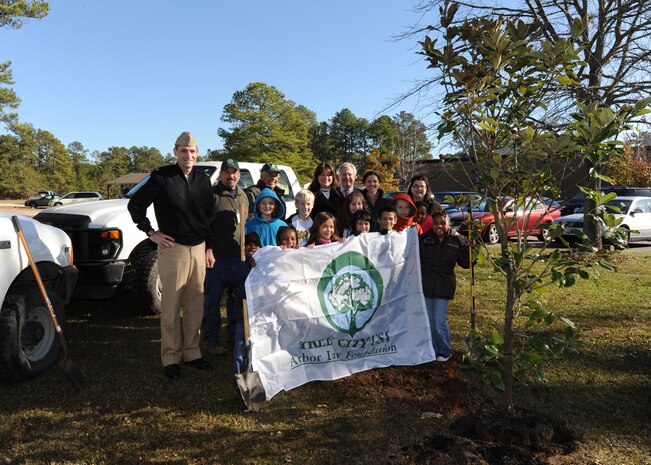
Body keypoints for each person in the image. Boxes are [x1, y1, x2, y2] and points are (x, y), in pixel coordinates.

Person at [128, 131, 216, 379]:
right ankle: (170, 357)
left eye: (193, 151)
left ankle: (192, 352)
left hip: (198, 248)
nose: (189, 155)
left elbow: (209, 215)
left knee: (195, 304)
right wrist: (150, 232)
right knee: (170, 306)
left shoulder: (202, 180)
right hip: (172, 248)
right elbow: (135, 205)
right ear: (175, 152)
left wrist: (209, 247)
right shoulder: (162, 177)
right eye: (184, 151)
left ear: (197, 153)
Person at [203, 158, 249, 357]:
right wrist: (209, 249)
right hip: (217, 257)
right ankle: (211, 340)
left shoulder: (243, 196)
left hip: (238, 257)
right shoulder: (212, 196)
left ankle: (233, 336)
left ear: (239, 175)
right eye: (227, 172)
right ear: (221, 175)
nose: (231, 176)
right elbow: (204, 225)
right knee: (213, 300)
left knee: (236, 300)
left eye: (235, 172)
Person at [419, 210, 470, 362]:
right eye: (435, 223)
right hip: (427, 283)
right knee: (430, 321)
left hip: (444, 284)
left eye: (442, 223)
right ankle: (433, 349)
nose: (439, 226)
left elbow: (466, 264)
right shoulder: (424, 239)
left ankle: (445, 350)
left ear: (449, 223)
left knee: (439, 321)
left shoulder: (458, 240)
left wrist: (470, 249)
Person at [229, 232, 260, 375]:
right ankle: (239, 373)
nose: (252, 246)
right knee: (240, 347)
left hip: (258, 316)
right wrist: (248, 264)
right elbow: (234, 281)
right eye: (248, 243)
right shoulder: (237, 263)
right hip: (242, 314)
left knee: (255, 346)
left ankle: (254, 371)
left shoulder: (263, 263)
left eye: (255, 244)